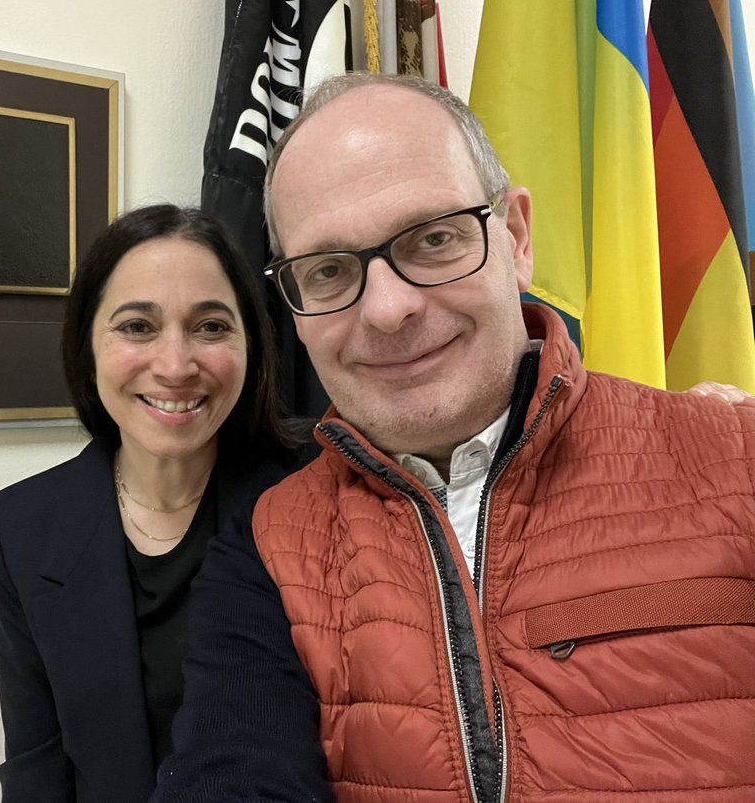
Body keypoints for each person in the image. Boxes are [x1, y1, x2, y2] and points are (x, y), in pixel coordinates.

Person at [152, 72, 755, 802]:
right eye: (330, 270)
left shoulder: (736, 458)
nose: (387, 308)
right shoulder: (271, 542)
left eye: (433, 239)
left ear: (518, 238)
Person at [0, 204, 301, 803]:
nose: (176, 365)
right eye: (137, 326)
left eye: (210, 326)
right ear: (88, 346)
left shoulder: (312, 494)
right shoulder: (23, 525)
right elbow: (36, 764)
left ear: (251, 343)